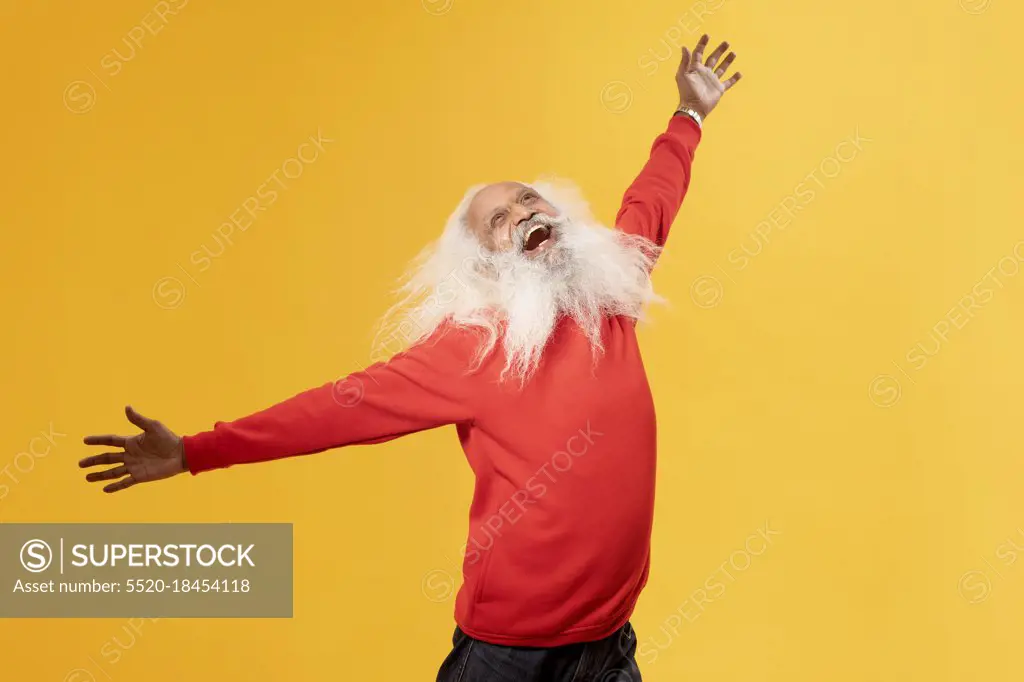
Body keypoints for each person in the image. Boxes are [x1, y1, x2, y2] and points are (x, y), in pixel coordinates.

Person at [80, 34, 742, 682]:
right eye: (500, 219)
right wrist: (196, 451)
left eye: (527, 199)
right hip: (508, 653)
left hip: (608, 644)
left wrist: (688, 115)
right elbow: (333, 412)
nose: (522, 212)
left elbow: (652, 198)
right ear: (486, 261)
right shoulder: (472, 350)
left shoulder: (612, 294)